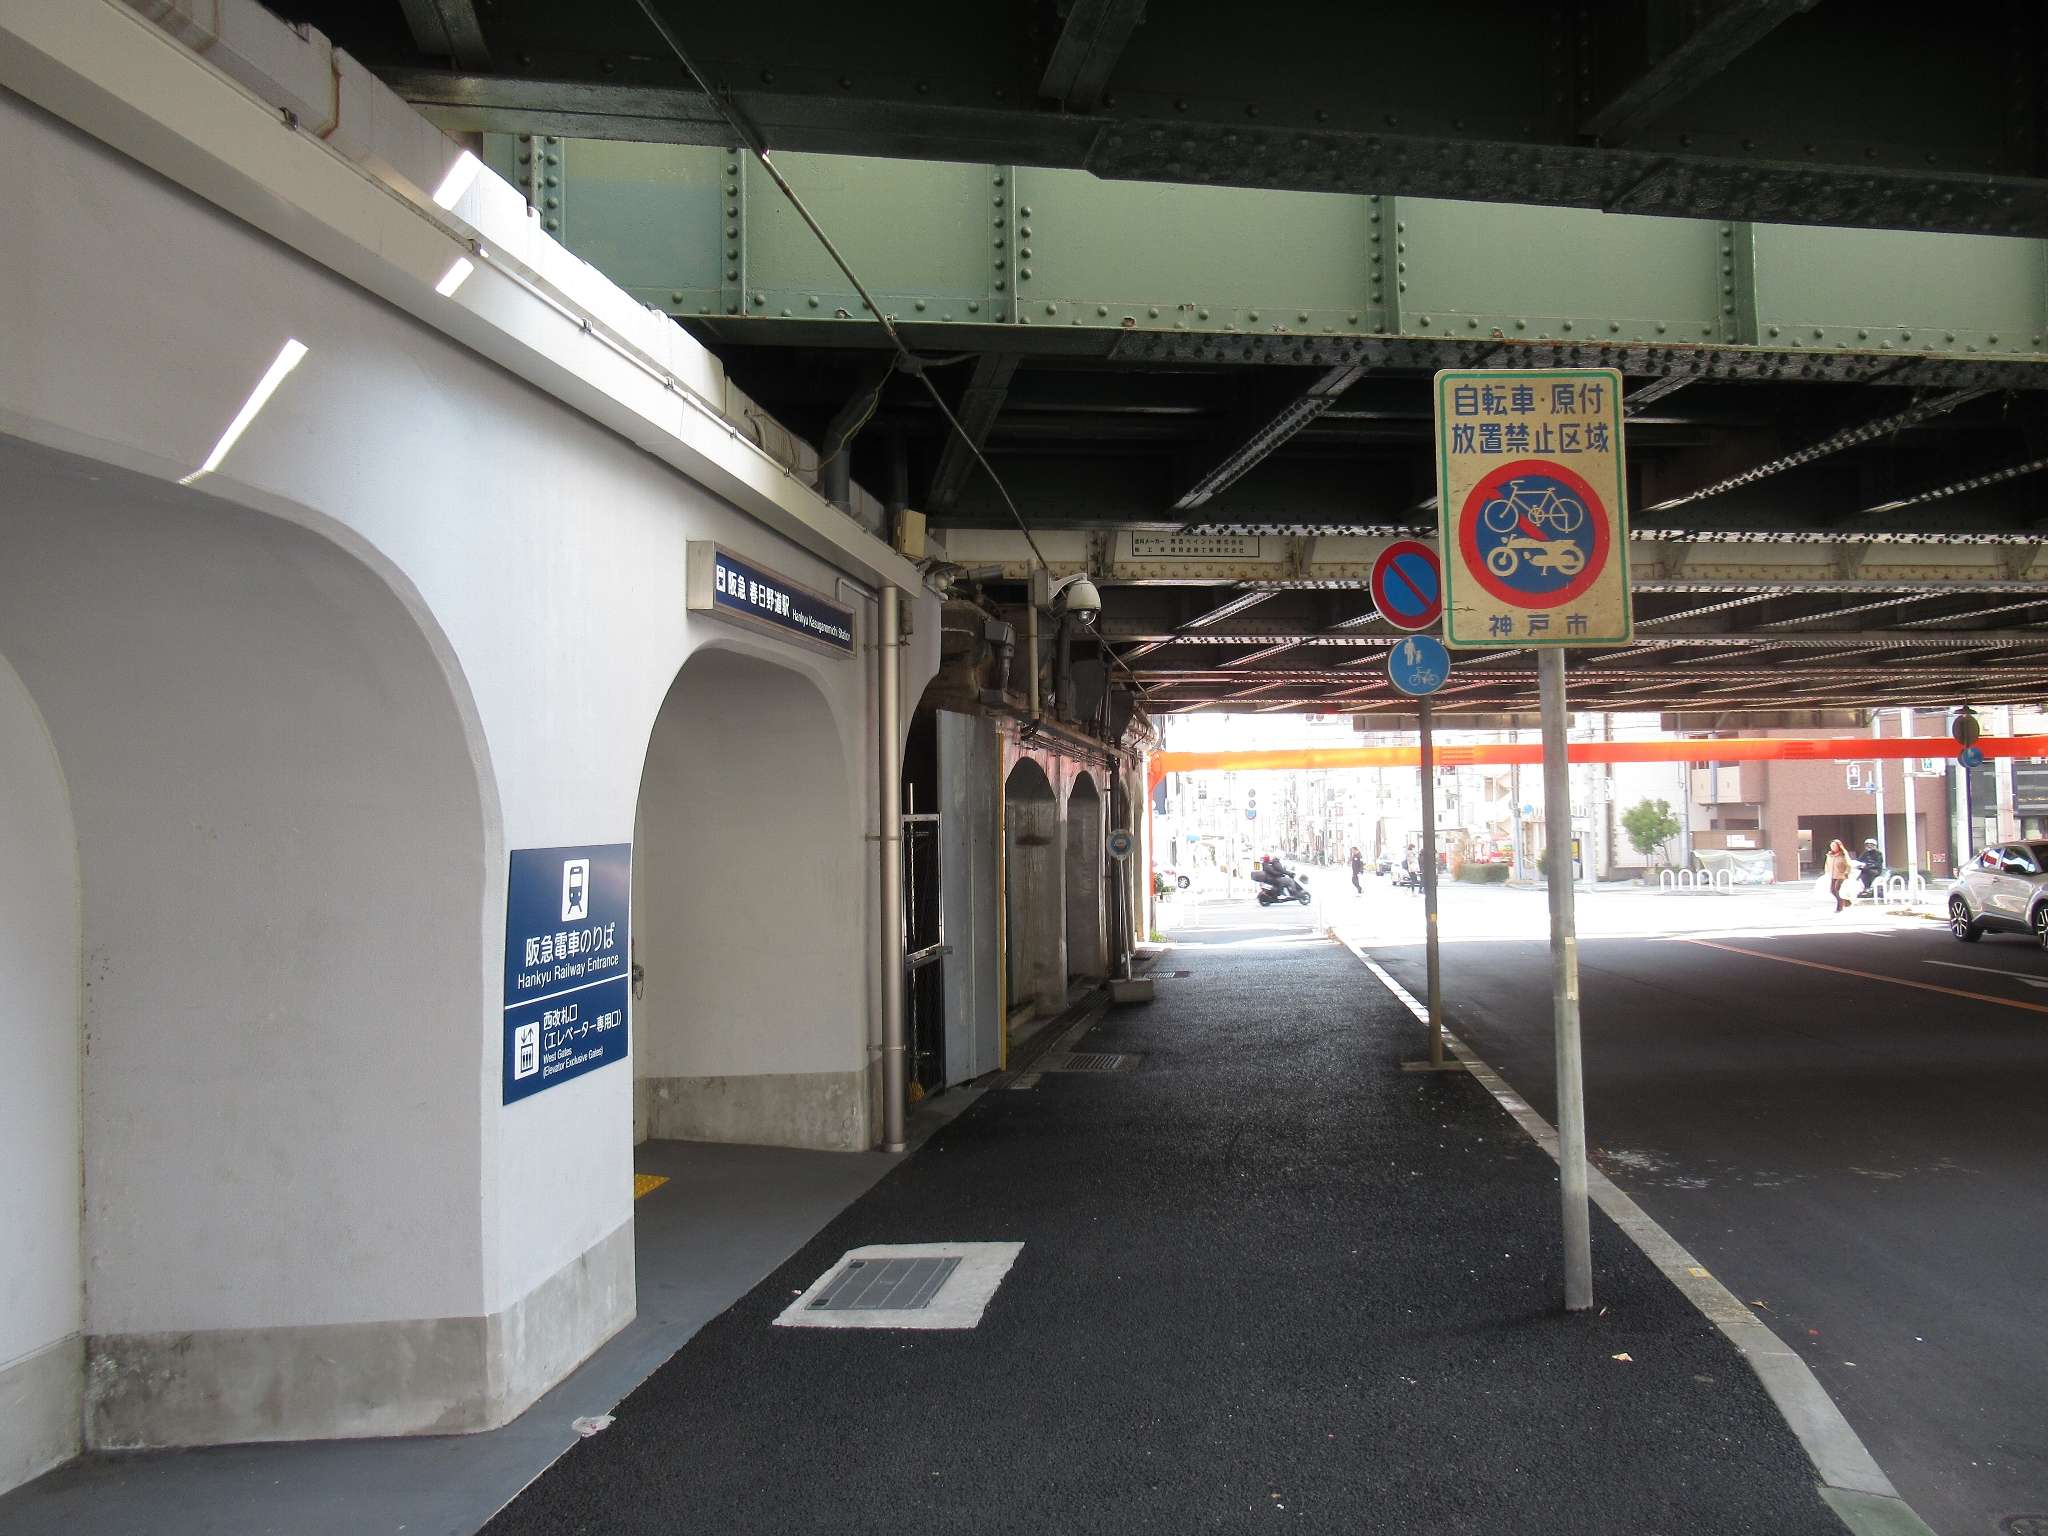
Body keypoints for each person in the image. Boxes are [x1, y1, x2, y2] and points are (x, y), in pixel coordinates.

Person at [1824, 838, 1852, 912]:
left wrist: (1846, 872)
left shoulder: (1843, 854)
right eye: (1831, 845)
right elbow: (1827, 864)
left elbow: (1848, 865)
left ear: (1839, 846)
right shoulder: (1830, 855)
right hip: (1833, 875)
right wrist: (1826, 872)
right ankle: (1846, 901)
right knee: (1832, 891)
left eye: (1834, 845)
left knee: (1837, 890)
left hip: (1841, 875)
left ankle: (1839, 908)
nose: (1833, 847)